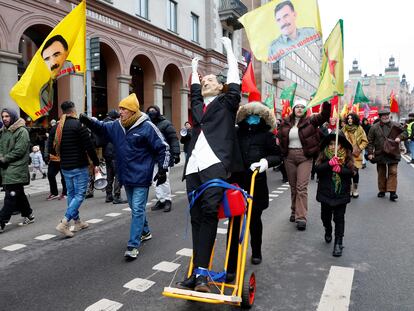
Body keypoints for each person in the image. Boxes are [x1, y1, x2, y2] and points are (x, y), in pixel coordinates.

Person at [176, 37, 242, 293]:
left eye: (210, 81)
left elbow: (235, 81)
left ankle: (202, 273)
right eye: (204, 81)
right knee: (195, 218)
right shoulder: (198, 107)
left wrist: (229, 52)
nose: (205, 83)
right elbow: (193, 91)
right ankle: (197, 271)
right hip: (193, 166)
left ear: (221, 87)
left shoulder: (227, 104)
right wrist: (194, 71)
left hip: (216, 164)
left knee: (208, 214)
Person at [79, 93, 170, 259]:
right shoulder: (116, 125)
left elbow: (163, 147)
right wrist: (88, 121)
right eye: (120, 108)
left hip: (142, 175)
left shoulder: (147, 127)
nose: (120, 111)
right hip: (125, 175)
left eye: (124, 109)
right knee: (137, 209)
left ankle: (133, 245)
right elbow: (101, 127)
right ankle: (146, 232)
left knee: (136, 209)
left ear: (133, 111)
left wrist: (163, 170)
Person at [227, 101, 281, 278]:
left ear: (262, 118)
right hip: (236, 183)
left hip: (256, 183)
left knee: (254, 220)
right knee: (234, 223)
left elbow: (277, 155)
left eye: (257, 116)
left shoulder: (267, 135)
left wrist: (265, 162)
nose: (253, 119)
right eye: (250, 115)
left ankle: (256, 251)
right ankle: (231, 264)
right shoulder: (236, 132)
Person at [277, 99, 330, 231]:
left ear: (305, 110)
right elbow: (280, 138)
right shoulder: (285, 122)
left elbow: (324, 116)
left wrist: (327, 103)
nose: (299, 109)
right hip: (289, 157)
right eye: (297, 107)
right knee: (294, 187)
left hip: (304, 157)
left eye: (302, 107)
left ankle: (301, 217)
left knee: (301, 187)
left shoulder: (311, 121)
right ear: (293, 109)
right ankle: (294, 211)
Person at [49, 101, 100, 238]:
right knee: (79, 195)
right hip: (79, 166)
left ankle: (77, 222)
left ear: (62, 111)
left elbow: (50, 149)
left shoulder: (56, 127)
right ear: (73, 110)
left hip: (65, 166)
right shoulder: (78, 125)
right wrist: (96, 162)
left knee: (71, 194)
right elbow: (89, 147)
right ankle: (65, 222)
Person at [315, 132, 355, 257]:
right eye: (331, 144)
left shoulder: (347, 157)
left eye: (336, 144)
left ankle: (338, 242)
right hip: (325, 192)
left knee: (339, 218)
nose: (333, 146)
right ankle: (328, 229)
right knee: (325, 217)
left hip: (341, 193)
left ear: (341, 146)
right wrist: (329, 164)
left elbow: (352, 172)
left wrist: (341, 170)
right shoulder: (323, 155)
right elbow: (317, 170)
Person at [0, 108, 34, 233]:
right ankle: (29, 215)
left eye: (7, 116)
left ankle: (1, 221)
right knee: (18, 194)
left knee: (10, 196)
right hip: (7, 169)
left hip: (16, 168)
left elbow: (19, 151)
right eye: (3, 116)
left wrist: (3, 159)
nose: (4, 118)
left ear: (13, 117)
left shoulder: (22, 131)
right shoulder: (3, 132)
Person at [367, 109, 407, 201]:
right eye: (383, 115)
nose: (385, 117)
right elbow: (370, 141)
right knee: (381, 172)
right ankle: (382, 190)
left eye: (387, 115)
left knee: (393, 172)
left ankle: (393, 192)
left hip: (393, 152)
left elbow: (405, 132)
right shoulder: (374, 127)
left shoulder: (396, 125)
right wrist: (370, 153)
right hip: (380, 153)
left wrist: (399, 137)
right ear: (380, 117)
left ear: (389, 116)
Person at [146, 105, 180, 212]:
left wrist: (176, 153)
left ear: (158, 112)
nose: (151, 112)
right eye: (149, 111)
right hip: (152, 157)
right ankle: (160, 200)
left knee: (164, 179)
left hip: (164, 156)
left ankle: (167, 200)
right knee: (155, 180)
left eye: (154, 111)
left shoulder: (166, 124)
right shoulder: (147, 124)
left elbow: (173, 139)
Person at [40, 35, 77, 110]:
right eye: (47, 59)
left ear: (66, 53)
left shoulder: (69, 65)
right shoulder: (43, 91)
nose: (53, 62)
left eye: (56, 55)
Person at [102, 110, 127, 204]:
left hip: (106, 153)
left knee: (109, 175)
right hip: (114, 152)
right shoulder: (115, 125)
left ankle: (108, 196)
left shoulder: (103, 124)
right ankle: (117, 196)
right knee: (117, 174)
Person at [341, 113, 368, 198]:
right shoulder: (343, 129)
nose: (349, 120)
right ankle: (348, 189)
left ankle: (355, 189)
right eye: (348, 118)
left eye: (351, 118)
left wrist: (359, 148)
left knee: (355, 172)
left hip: (356, 155)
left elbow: (365, 141)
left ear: (355, 119)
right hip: (346, 154)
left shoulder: (360, 129)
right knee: (347, 172)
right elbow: (339, 140)